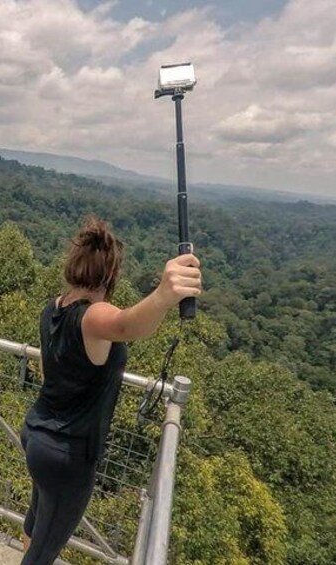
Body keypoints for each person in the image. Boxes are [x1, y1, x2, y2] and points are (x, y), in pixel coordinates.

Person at [20, 217, 202, 565]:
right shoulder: (93, 317)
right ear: (111, 276)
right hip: (68, 452)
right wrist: (164, 294)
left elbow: (50, 369)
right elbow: (125, 324)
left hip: (37, 435)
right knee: (44, 553)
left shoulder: (53, 308)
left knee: (37, 521)